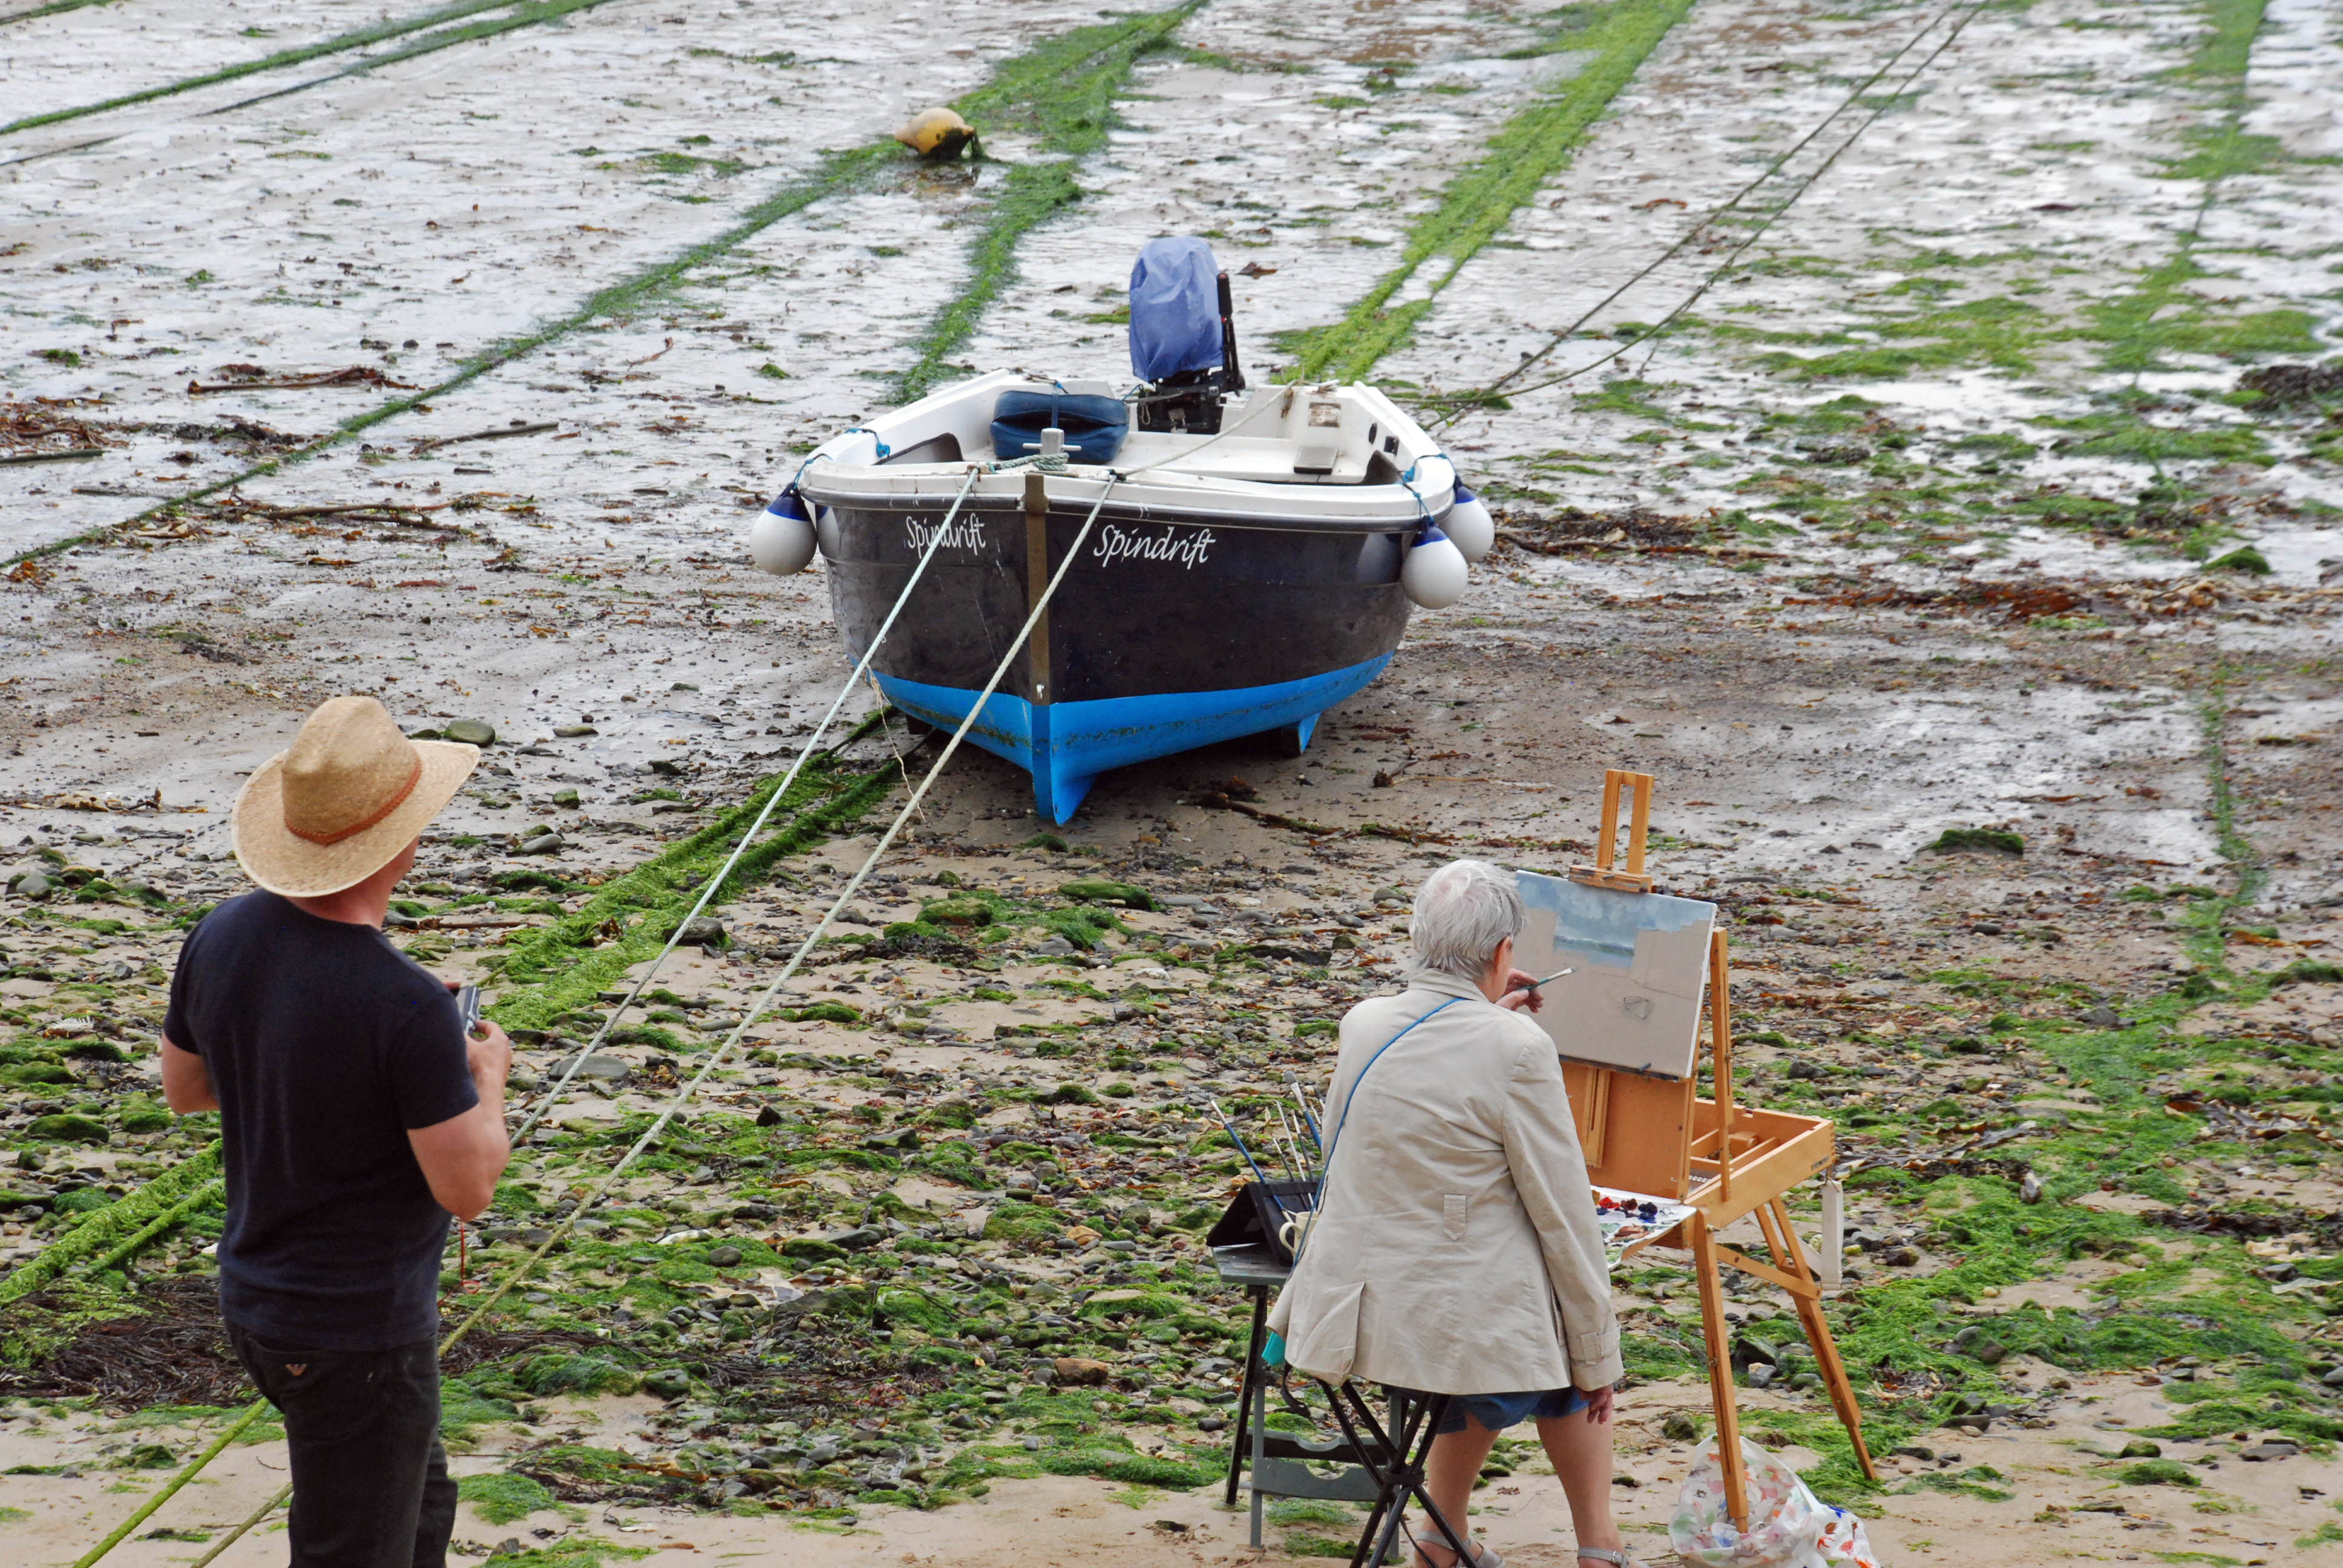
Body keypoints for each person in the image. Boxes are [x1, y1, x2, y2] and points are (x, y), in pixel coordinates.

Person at [161, 696, 514, 1568]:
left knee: (419, 1505)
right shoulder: (403, 1007)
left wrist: (344, 1076)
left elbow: (189, 1089)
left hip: (258, 1302)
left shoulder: (222, 932)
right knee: (351, 1548)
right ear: (403, 842)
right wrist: (487, 1082)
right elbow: (467, 1191)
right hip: (353, 1332)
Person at [1268, 859, 1636, 1568]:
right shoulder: (1518, 1049)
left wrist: (1484, 1019)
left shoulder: (1363, 1022)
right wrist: (1600, 1358)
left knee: (1518, 1317)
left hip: (1351, 1311)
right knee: (1558, 1329)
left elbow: (1423, 1087)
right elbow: (1563, 1211)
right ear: (1503, 954)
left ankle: (1441, 1532)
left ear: (1417, 939)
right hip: (1443, 1328)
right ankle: (1598, 1542)